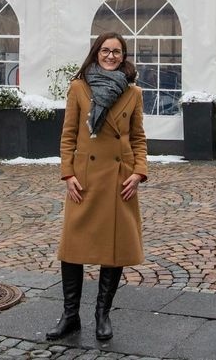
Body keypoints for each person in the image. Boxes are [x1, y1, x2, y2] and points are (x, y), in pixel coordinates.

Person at [47, 32, 148, 343]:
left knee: (113, 249)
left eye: (116, 51)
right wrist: (68, 174)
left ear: (123, 56)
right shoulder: (79, 87)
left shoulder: (133, 92)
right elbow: (68, 135)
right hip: (85, 179)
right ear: (96, 53)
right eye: (105, 50)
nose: (110, 56)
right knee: (72, 248)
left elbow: (138, 138)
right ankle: (70, 316)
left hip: (119, 180)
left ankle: (102, 314)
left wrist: (138, 172)